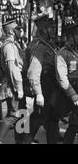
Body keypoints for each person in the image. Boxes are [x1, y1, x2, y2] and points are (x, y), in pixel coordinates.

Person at [22, 15, 60, 144]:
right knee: (37, 119)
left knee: (51, 120)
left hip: (50, 88)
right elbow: (33, 72)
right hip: (44, 88)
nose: (53, 30)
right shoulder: (39, 46)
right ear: (43, 29)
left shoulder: (47, 45)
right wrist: (39, 94)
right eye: (50, 28)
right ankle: (22, 140)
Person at [0, 20, 26, 144]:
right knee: (14, 114)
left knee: (22, 112)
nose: (21, 31)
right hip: (14, 83)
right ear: (12, 31)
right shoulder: (8, 46)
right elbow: (13, 68)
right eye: (18, 29)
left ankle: (21, 140)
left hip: (18, 81)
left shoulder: (15, 44)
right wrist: (19, 88)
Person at [55, 21, 78, 144]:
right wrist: (73, 95)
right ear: (71, 37)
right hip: (72, 93)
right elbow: (62, 78)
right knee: (75, 125)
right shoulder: (62, 54)